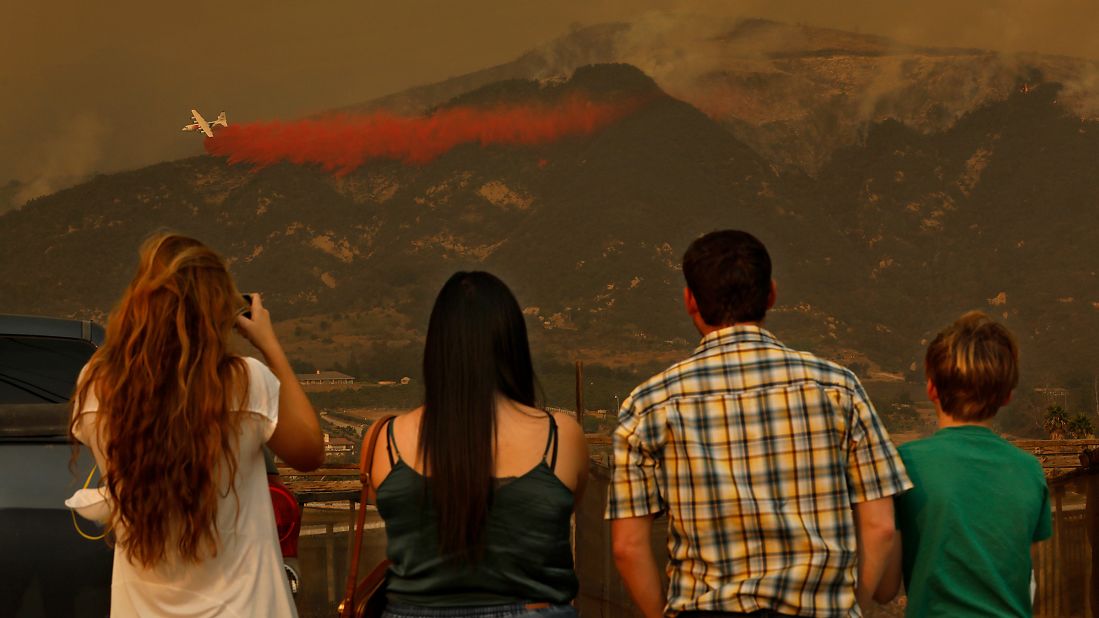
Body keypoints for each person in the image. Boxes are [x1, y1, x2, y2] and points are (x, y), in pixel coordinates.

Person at [607, 229, 912, 617]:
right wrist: (853, 606)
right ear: (771, 294)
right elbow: (881, 528)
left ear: (689, 301)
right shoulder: (838, 388)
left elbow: (627, 548)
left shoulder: (648, 405)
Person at [70, 233, 324, 617]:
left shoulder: (97, 387)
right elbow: (310, 452)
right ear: (217, 309)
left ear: (138, 302)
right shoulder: (246, 383)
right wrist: (270, 346)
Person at [368, 271, 589, 618]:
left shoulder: (385, 438)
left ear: (437, 346)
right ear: (513, 344)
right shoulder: (561, 435)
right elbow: (561, 512)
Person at [875, 311, 1052, 616]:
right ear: (1007, 395)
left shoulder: (904, 464)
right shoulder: (1029, 470)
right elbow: (1028, 579)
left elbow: (885, 588)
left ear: (932, 389)